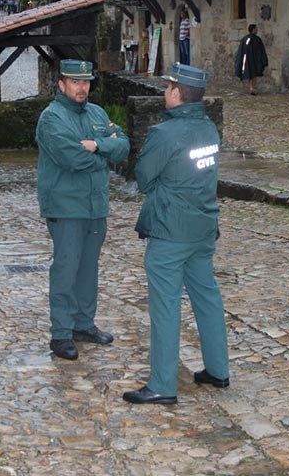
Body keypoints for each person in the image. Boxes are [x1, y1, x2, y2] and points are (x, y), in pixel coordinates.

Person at [123, 63, 230, 405]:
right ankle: (218, 369)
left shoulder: (163, 134)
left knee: (166, 306)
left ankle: (163, 385)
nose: (165, 91)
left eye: (169, 87)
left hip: (170, 231)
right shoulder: (209, 129)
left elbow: (142, 177)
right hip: (202, 226)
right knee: (207, 298)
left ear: (176, 93)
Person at [35, 59, 130, 360]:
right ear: (61, 84)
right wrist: (105, 150)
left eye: (86, 81)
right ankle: (61, 334)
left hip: (95, 205)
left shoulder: (97, 113)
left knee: (88, 269)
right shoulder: (51, 119)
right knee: (66, 269)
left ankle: (83, 324)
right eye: (75, 82)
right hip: (66, 206)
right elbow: (72, 159)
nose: (82, 87)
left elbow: (125, 146)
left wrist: (95, 145)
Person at [234, 24, 268, 95]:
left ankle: (252, 88)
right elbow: (257, 50)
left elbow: (244, 49)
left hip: (250, 59)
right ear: (253, 30)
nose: (257, 30)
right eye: (256, 29)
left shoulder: (247, 38)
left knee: (252, 74)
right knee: (253, 74)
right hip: (253, 60)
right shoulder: (252, 39)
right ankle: (252, 88)